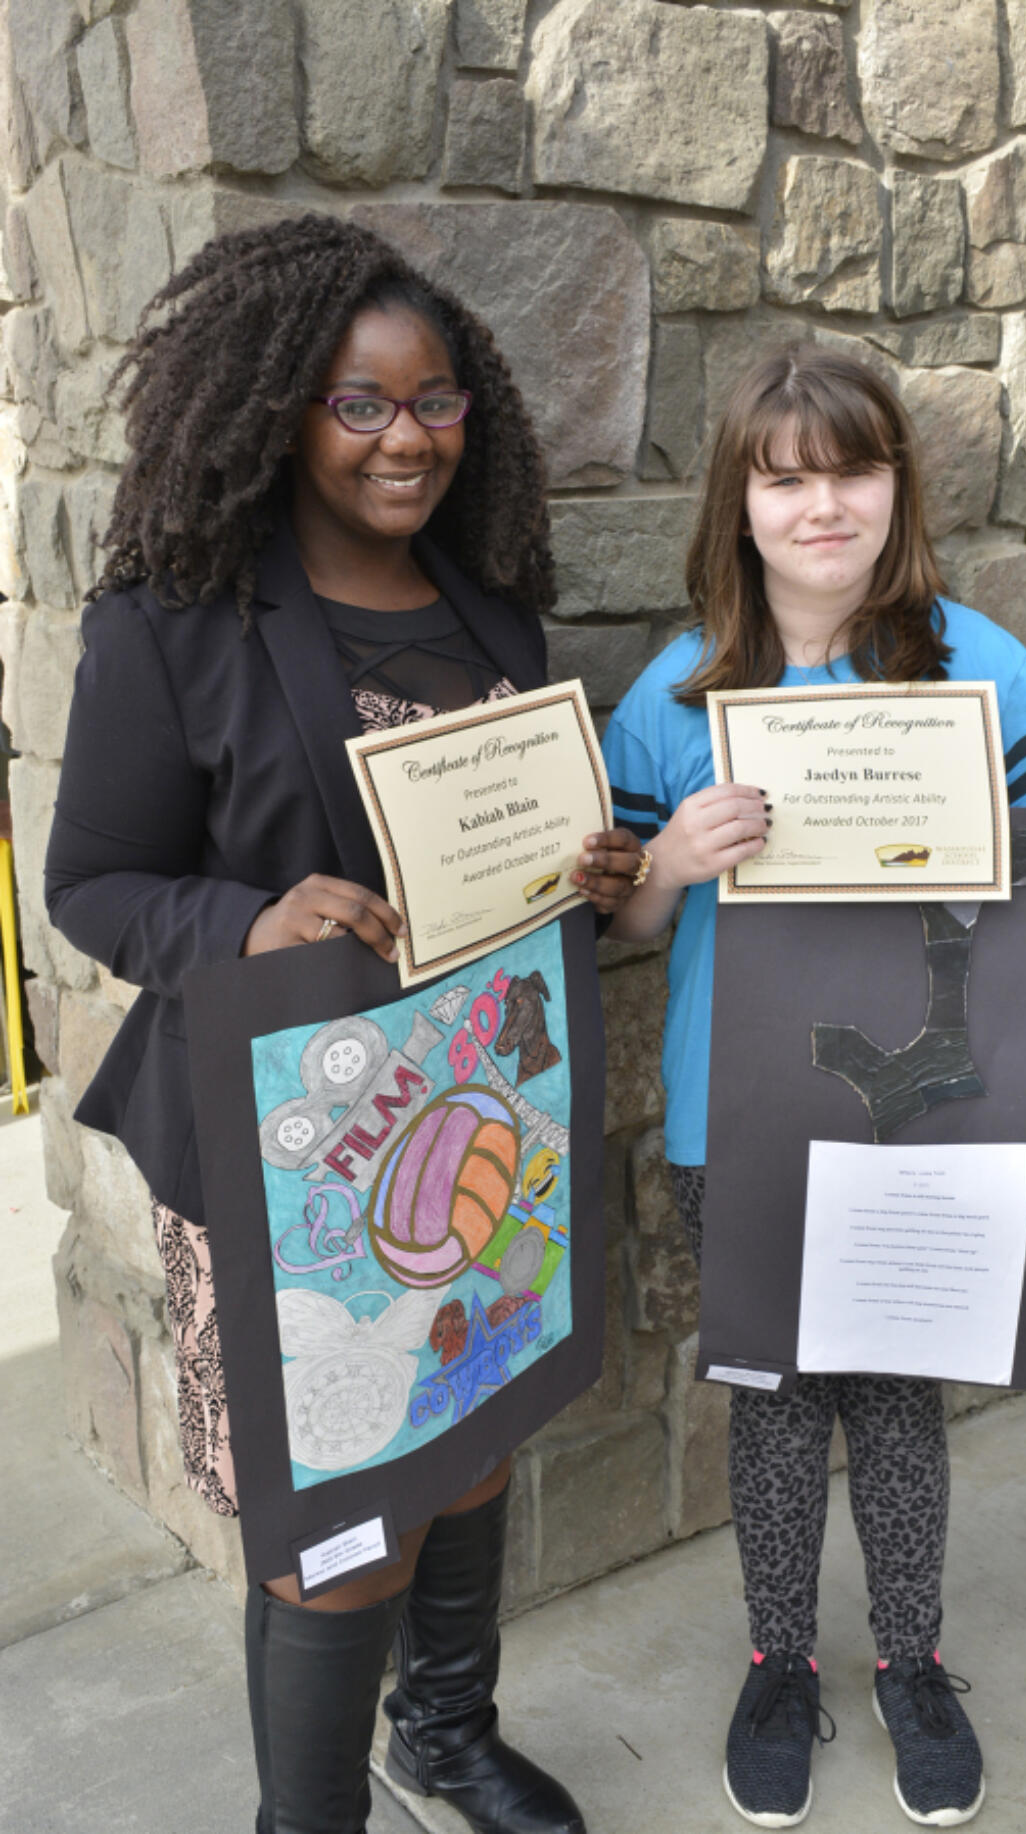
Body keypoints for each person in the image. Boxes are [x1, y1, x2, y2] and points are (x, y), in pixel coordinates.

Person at [44, 212, 642, 1834]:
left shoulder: (490, 610)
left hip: (470, 1119)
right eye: (360, 403)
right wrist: (250, 916)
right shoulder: (172, 622)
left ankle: (442, 1733)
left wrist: (577, 872)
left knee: (470, 1446)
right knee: (333, 1527)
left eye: (434, 400)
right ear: (281, 409)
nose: (405, 439)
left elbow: (501, 873)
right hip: (276, 1149)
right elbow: (92, 884)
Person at [597, 346, 1026, 1830]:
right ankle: (777, 1662)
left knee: (901, 1396)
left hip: (933, 1106)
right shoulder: (675, 696)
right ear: (739, 499)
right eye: (784, 476)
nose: (820, 506)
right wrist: (668, 860)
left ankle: (912, 1660)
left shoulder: (976, 665)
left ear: (895, 487)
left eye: (850, 471)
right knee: (778, 1400)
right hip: (731, 1109)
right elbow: (620, 927)